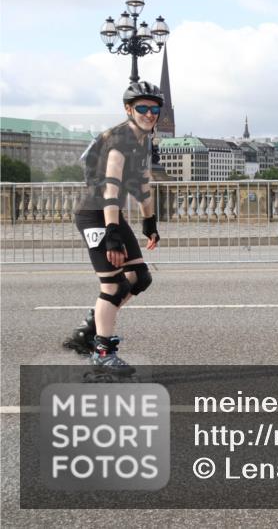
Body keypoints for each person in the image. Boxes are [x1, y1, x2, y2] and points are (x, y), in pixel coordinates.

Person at [63, 81, 163, 376]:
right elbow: (111, 187)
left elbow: (143, 183)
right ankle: (102, 352)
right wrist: (112, 234)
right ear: (129, 109)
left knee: (139, 277)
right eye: (142, 108)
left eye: (154, 108)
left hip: (110, 215)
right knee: (115, 285)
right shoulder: (119, 140)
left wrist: (150, 221)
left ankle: (93, 327)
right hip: (95, 215)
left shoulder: (143, 139)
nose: (149, 113)